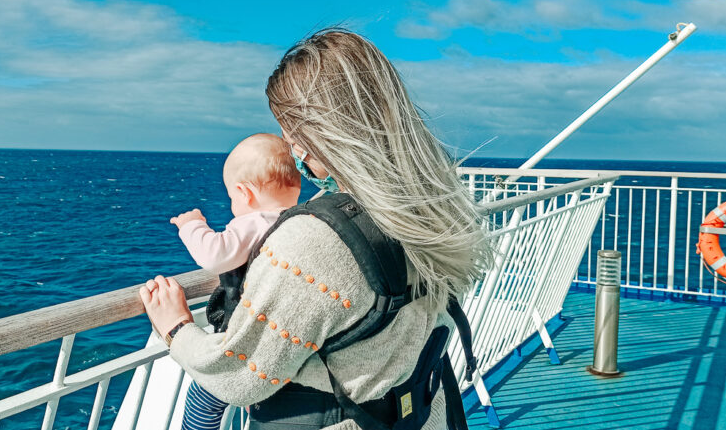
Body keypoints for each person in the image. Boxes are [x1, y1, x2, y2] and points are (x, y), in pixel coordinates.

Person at [140, 29, 489, 430]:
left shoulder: (311, 240)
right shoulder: (430, 208)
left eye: (290, 135)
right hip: (420, 414)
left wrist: (176, 328)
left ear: (321, 133)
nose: (291, 149)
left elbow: (240, 377)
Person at [169, 133, 302, 430]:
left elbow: (214, 254)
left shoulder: (255, 222)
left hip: (247, 339)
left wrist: (192, 225)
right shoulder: (299, 220)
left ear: (244, 193)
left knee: (204, 398)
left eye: (232, 197)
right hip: (281, 335)